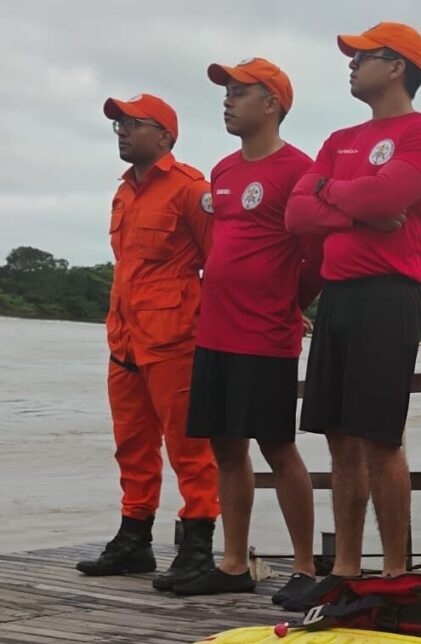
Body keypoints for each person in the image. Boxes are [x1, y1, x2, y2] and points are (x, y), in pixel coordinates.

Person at [283, 21, 421, 605]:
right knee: (337, 436)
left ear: (398, 66)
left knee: (381, 437)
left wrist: (334, 194)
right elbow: (295, 214)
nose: (351, 64)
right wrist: (356, 212)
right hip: (339, 295)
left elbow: (386, 199)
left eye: (363, 56)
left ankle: (395, 573)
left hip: (389, 293)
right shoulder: (338, 138)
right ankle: (348, 571)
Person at [171, 58, 322, 603]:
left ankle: (305, 566)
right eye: (226, 92)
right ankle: (233, 563)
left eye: (240, 91)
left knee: (278, 447)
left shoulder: (299, 170)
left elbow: (317, 256)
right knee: (225, 449)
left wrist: (289, 301)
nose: (227, 100)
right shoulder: (223, 170)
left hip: (266, 335)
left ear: (272, 104)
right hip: (214, 332)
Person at [77, 94, 220, 590]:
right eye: (117, 123)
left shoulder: (191, 190)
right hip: (124, 338)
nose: (120, 130)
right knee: (131, 444)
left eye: (132, 123)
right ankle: (134, 541)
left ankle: (198, 547)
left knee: (189, 446)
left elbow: (217, 263)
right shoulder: (123, 193)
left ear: (164, 134)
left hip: (176, 338)